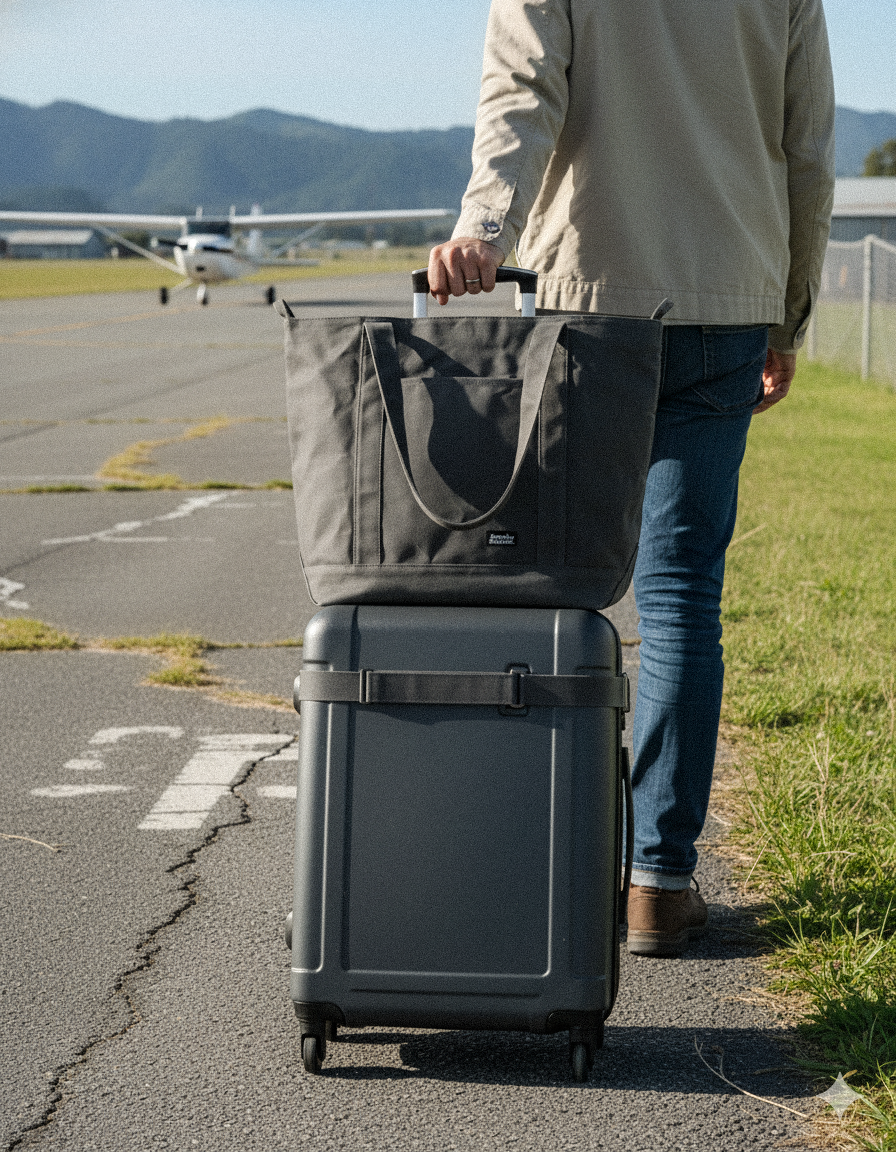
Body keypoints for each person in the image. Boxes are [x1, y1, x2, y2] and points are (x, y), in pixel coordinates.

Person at [428, 0, 835, 956]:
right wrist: (788, 313)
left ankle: (530, 865)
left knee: (544, 581)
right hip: (728, 301)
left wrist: (485, 228)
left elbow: (522, 93)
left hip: (587, 300)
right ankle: (659, 880)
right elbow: (808, 152)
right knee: (682, 596)